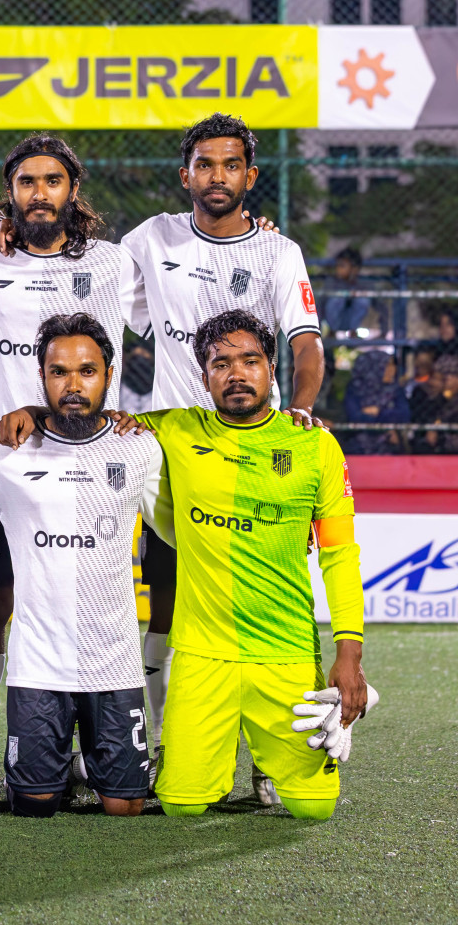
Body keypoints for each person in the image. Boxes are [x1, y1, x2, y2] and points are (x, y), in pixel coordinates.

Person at [1, 309, 370, 821]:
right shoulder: (170, 430)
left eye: (250, 361)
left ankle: (271, 763)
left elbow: (340, 556)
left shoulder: (315, 446)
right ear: (204, 377)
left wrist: (349, 656)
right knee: (180, 803)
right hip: (201, 657)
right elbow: (87, 417)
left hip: (285, 653)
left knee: (314, 809)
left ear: (272, 369)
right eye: (221, 363)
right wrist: (32, 410)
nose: (236, 374)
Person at [117, 114, 324, 785]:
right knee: (171, 601)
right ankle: (168, 745)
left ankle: (274, 757)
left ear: (250, 176)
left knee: (275, 603)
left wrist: (301, 410)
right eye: (204, 165)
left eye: (230, 165)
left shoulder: (277, 252)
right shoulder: (152, 238)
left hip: (257, 449)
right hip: (175, 454)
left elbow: (304, 343)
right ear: (187, 176)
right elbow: (94, 287)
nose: (216, 176)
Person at [0, 134, 146, 790]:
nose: (39, 193)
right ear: (10, 193)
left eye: (52, 181)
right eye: (26, 182)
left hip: (89, 462)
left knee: (86, 597)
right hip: (4, 464)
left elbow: (174, 313)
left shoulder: (113, 264)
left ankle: (104, 743)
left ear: (72, 191)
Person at [0, 314, 165, 817]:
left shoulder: (139, 447)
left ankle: (93, 765)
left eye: (87, 371)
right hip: (37, 668)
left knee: (124, 808)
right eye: (59, 372)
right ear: (42, 377)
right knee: (33, 806)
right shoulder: (9, 452)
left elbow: (181, 527)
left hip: (113, 666)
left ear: (110, 376)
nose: (73, 385)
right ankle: (52, 769)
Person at [341, 351, 407, 455]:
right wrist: (386, 428)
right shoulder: (354, 389)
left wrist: (379, 412)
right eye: (388, 366)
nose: (393, 370)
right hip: (359, 448)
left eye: (393, 366)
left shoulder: (395, 389)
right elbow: (354, 417)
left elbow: (404, 415)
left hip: (389, 448)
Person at [321, 247, 370, 336]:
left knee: (362, 301)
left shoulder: (362, 283)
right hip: (334, 322)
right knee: (336, 299)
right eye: (337, 265)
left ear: (354, 269)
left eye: (342, 266)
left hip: (351, 321)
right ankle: (332, 332)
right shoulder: (332, 282)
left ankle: (352, 332)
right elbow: (320, 305)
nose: (338, 269)